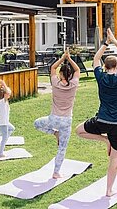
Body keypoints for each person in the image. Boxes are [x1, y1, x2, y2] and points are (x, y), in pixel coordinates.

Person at [76, 28, 117, 197]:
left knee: (78, 130)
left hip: (102, 121)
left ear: (105, 67)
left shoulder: (100, 76)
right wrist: (114, 40)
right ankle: (109, 190)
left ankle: (104, 139)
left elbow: (95, 58)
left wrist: (106, 42)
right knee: (114, 158)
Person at [34, 48, 80, 179]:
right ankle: (56, 172)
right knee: (62, 148)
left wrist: (62, 58)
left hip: (53, 119)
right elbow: (77, 70)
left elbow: (52, 68)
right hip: (66, 121)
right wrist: (69, 58)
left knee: (37, 124)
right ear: (70, 75)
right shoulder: (74, 84)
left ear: (61, 74)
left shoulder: (55, 83)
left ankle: (55, 133)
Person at [0, 80, 15, 158]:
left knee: (12, 128)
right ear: (5, 94)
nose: (9, 95)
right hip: (3, 122)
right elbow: (6, 91)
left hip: (5, 122)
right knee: (4, 139)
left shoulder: (5, 101)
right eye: (8, 94)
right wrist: (5, 84)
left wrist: (4, 86)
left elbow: (7, 91)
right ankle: (1, 153)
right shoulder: (2, 102)